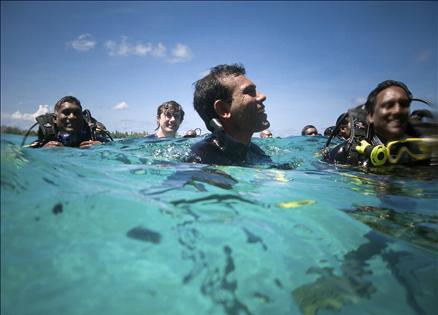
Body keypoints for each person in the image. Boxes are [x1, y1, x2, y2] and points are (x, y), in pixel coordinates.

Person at [323, 80, 438, 167]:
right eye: (388, 105)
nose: (398, 110)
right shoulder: (345, 154)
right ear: (371, 116)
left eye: (403, 105)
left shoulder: (428, 150)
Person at [187, 63, 271, 165]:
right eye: (249, 91)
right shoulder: (202, 158)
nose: (262, 96)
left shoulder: (255, 151)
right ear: (223, 109)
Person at [25, 96, 112, 148]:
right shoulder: (46, 140)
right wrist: (43, 150)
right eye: (66, 112)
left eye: (77, 113)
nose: (72, 117)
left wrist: (101, 147)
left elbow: (115, 148)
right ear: (55, 118)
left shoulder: (92, 137)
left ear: (82, 117)